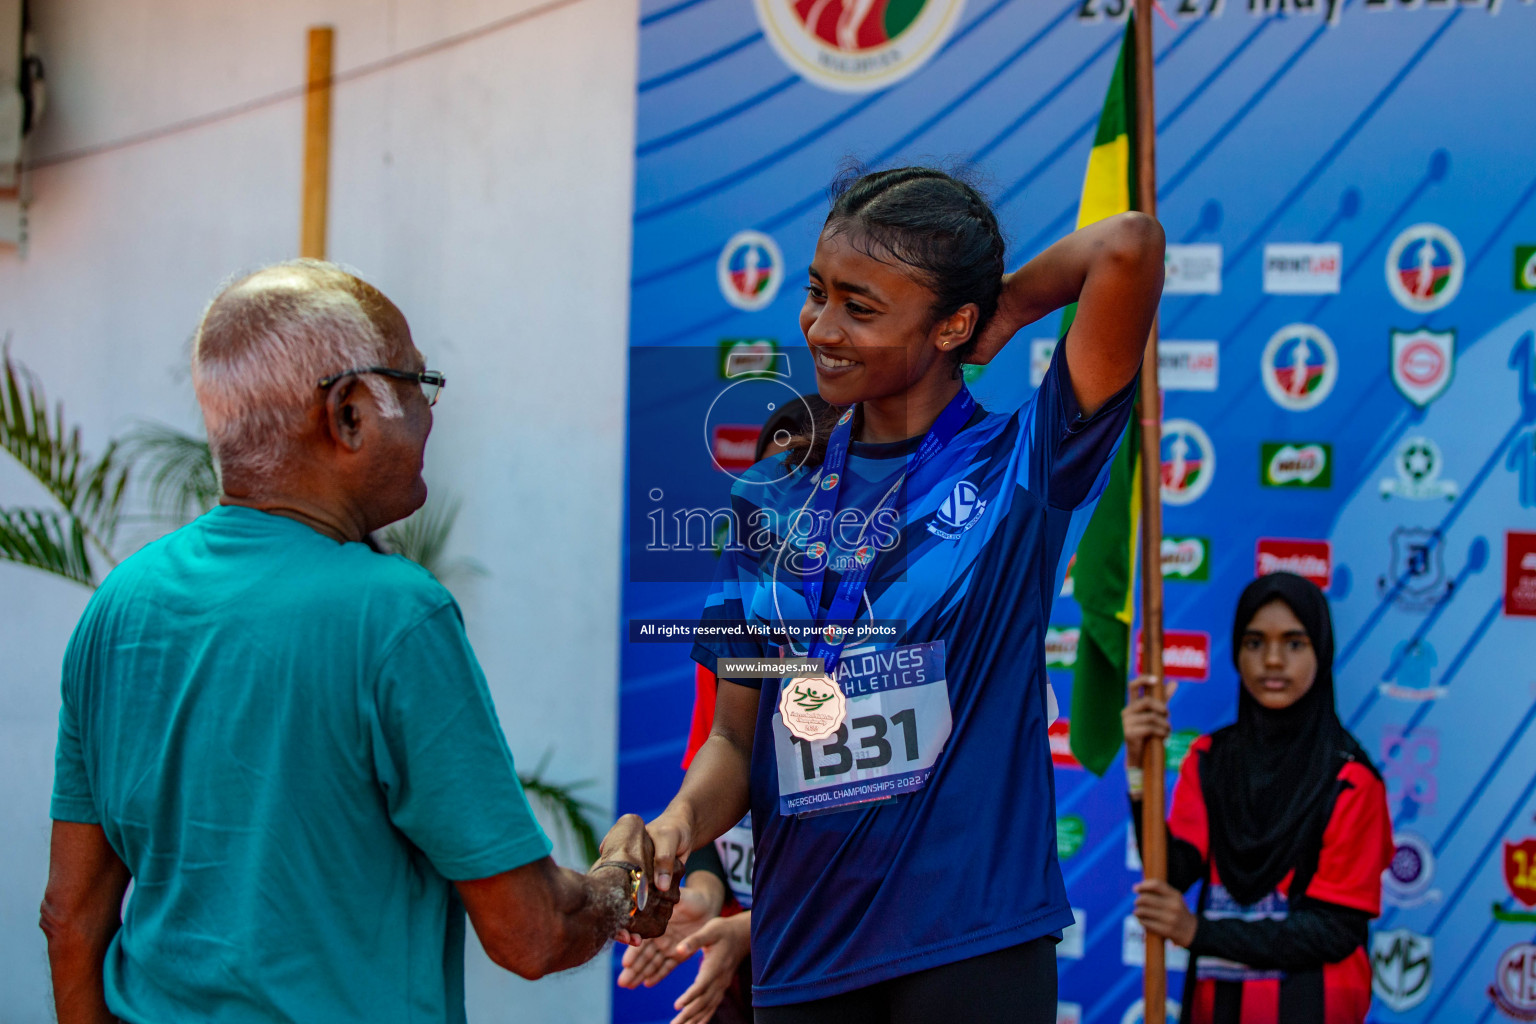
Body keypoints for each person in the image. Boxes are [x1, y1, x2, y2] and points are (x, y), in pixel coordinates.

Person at [40, 260, 674, 1024]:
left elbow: (71, 919)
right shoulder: (394, 615)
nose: (431, 415)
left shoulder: (121, 605)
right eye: (416, 384)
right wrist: (621, 888)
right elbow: (530, 933)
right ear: (346, 414)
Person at [604, 165, 1163, 1022]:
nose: (822, 329)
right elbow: (733, 737)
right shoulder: (768, 500)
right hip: (803, 948)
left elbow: (1128, 246)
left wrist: (1005, 309)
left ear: (952, 324)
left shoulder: (1022, 465)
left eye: (861, 308)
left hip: (971, 942)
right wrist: (680, 824)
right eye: (818, 293)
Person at [619, 396, 830, 1024]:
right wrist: (702, 887)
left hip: (847, 962)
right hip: (742, 962)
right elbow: (720, 774)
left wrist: (750, 931)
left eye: (801, 496)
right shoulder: (740, 645)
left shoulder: (888, 648)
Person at [1123, 572, 1393, 1024]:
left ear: (1320, 652)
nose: (1272, 660)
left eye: (1293, 643)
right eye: (1254, 643)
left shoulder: (1351, 779)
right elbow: (1171, 871)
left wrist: (1197, 930)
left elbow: (1332, 930)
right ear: (1236, 652)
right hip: (1217, 1005)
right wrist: (1138, 770)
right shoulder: (1209, 759)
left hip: (1314, 1006)